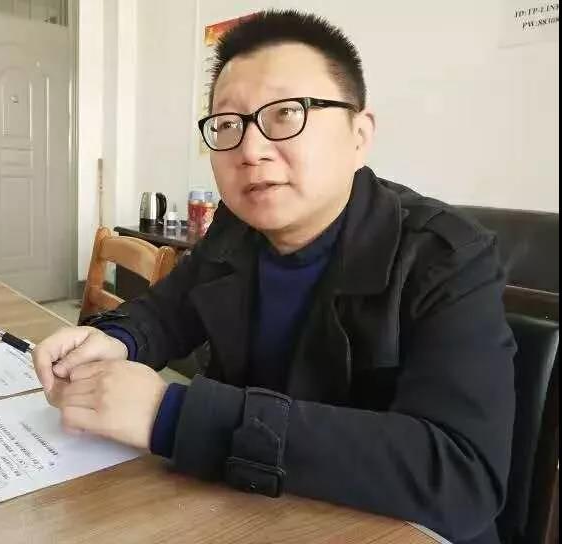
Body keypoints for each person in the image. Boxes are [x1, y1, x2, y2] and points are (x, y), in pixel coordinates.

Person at [33, 10, 515, 544]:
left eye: (286, 114)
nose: (250, 150)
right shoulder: (236, 228)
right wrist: (114, 339)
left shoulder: (448, 256)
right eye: (227, 125)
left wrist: (172, 414)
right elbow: (169, 310)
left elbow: (461, 474)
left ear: (359, 134)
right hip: (253, 513)